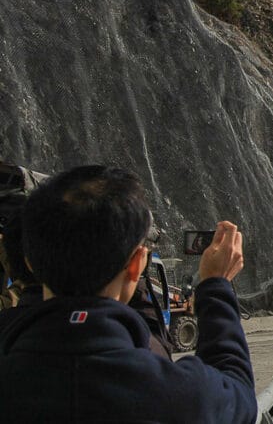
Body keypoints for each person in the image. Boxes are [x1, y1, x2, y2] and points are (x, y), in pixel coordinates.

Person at [0, 165, 256, 423]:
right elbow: (237, 391)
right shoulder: (180, 395)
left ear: (29, 262)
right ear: (137, 265)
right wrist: (215, 284)